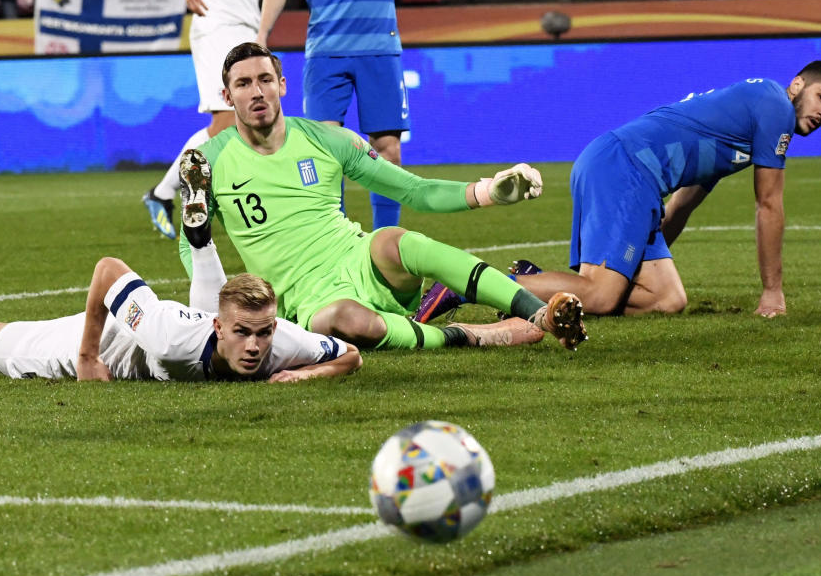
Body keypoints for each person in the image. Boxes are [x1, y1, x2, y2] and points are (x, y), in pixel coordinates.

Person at [177, 42, 588, 352]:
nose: (257, 92)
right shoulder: (207, 162)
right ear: (227, 97)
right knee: (346, 319)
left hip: (358, 261)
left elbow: (413, 190)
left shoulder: (327, 139)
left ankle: (539, 312)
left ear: (282, 84)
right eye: (244, 84)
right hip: (304, 301)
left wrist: (487, 192)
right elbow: (189, 242)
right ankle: (472, 335)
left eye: (265, 80)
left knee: (393, 238)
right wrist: (228, 306)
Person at [0, 141, 362, 383]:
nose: (256, 347)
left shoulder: (279, 343)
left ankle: (201, 241)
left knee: (210, 316)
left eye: (263, 333)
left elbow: (349, 356)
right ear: (223, 330)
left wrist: (303, 377)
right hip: (115, 343)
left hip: (195, 324)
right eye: (244, 333)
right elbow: (107, 269)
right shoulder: (170, 337)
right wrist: (85, 356)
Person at [420, 62, 821, 322]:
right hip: (624, 170)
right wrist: (772, 293)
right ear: (797, 84)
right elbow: (769, 204)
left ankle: (532, 290)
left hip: (627, 174)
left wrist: (647, 246)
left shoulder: (748, 112)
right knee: (602, 297)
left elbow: (688, 196)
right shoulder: (774, 105)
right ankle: (466, 285)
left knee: (667, 300)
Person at [256, 0, 463, 231]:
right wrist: (262, 34)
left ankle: (386, 248)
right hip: (325, 52)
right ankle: (335, 246)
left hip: (380, 47)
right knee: (324, 154)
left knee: (388, 151)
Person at [142, 0, 274, 240]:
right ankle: (166, 194)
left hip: (249, 29)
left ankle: (162, 194)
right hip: (215, 24)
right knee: (226, 122)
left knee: (249, 125)